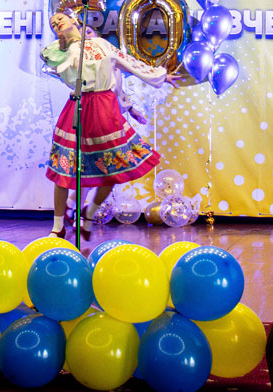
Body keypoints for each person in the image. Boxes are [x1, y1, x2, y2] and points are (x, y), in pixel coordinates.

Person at [41, 12, 180, 240]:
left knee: (112, 169)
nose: (57, 22)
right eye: (53, 24)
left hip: (104, 106)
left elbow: (129, 63)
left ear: (74, 20)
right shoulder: (59, 50)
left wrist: (159, 76)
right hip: (79, 104)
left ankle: (89, 212)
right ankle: (57, 227)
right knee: (64, 167)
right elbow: (57, 65)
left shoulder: (102, 45)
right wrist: (65, 45)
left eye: (60, 18)